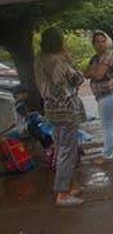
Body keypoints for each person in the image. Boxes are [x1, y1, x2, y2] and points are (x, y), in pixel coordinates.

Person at [34, 27, 85, 207]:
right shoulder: (58, 60)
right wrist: (70, 63)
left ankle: (68, 186)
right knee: (67, 151)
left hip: (51, 109)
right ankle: (62, 193)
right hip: (66, 109)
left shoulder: (40, 59)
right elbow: (76, 78)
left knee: (61, 147)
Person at [84, 32, 113, 165]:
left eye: (103, 41)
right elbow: (85, 73)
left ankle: (108, 154)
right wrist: (93, 70)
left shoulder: (107, 57)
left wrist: (93, 71)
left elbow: (98, 75)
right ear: (93, 44)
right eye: (97, 42)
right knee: (112, 125)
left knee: (108, 126)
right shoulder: (94, 58)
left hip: (109, 95)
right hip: (103, 97)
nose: (100, 44)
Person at [11, 84, 55, 168]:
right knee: (42, 134)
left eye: (25, 93)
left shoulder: (21, 103)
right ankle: (48, 149)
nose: (25, 95)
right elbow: (26, 115)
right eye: (23, 93)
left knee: (42, 129)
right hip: (24, 127)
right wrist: (36, 114)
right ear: (17, 95)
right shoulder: (19, 105)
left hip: (26, 125)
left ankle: (48, 148)